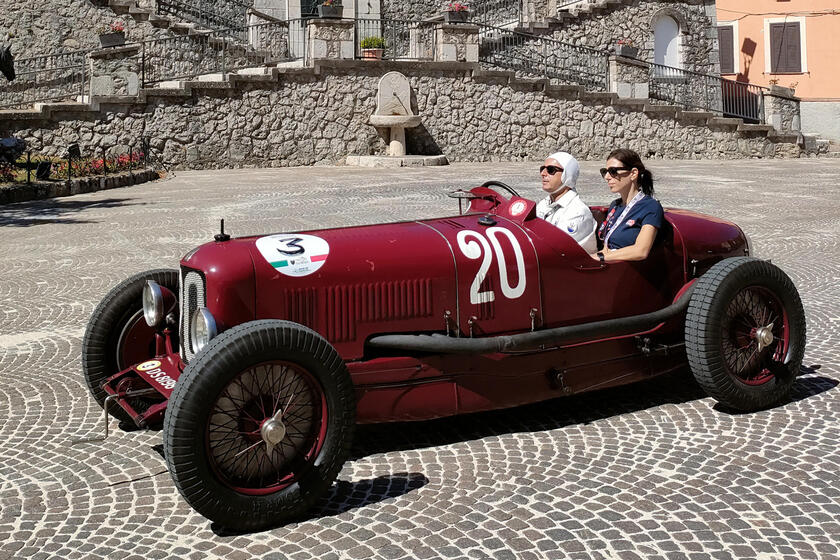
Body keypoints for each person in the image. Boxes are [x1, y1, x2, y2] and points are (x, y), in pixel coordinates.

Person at [594, 148, 664, 263]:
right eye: (604, 171)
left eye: (613, 171)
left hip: (631, 272)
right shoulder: (615, 206)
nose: (607, 177)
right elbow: (607, 246)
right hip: (611, 267)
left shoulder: (650, 207)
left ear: (633, 173)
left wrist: (601, 258)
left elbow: (640, 251)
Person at [536, 151, 597, 253]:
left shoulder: (577, 212)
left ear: (567, 175)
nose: (543, 173)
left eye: (550, 170)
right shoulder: (543, 204)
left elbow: (556, 250)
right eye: (542, 169)